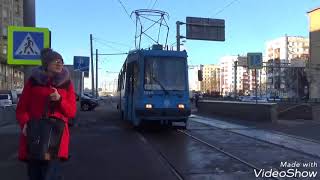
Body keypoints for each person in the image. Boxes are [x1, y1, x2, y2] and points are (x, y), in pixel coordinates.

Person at [16, 48, 76, 180]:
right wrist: (25, 123)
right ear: (46, 64)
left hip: (56, 138)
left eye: (61, 61)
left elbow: (71, 112)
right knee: (35, 175)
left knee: (51, 175)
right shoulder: (33, 82)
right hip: (34, 136)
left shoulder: (66, 84)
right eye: (55, 61)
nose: (59, 63)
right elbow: (21, 109)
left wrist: (60, 99)